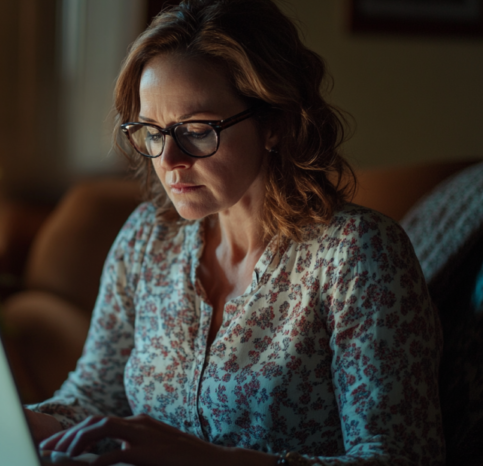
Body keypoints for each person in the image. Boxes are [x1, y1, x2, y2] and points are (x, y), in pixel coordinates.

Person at [23, 0, 444, 464]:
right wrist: (22, 421)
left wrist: (201, 458)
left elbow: (399, 457)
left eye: (198, 130)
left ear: (275, 123)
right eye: (152, 132)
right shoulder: (147, 239)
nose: (169, 161)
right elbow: (93, 396)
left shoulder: (356, 255)